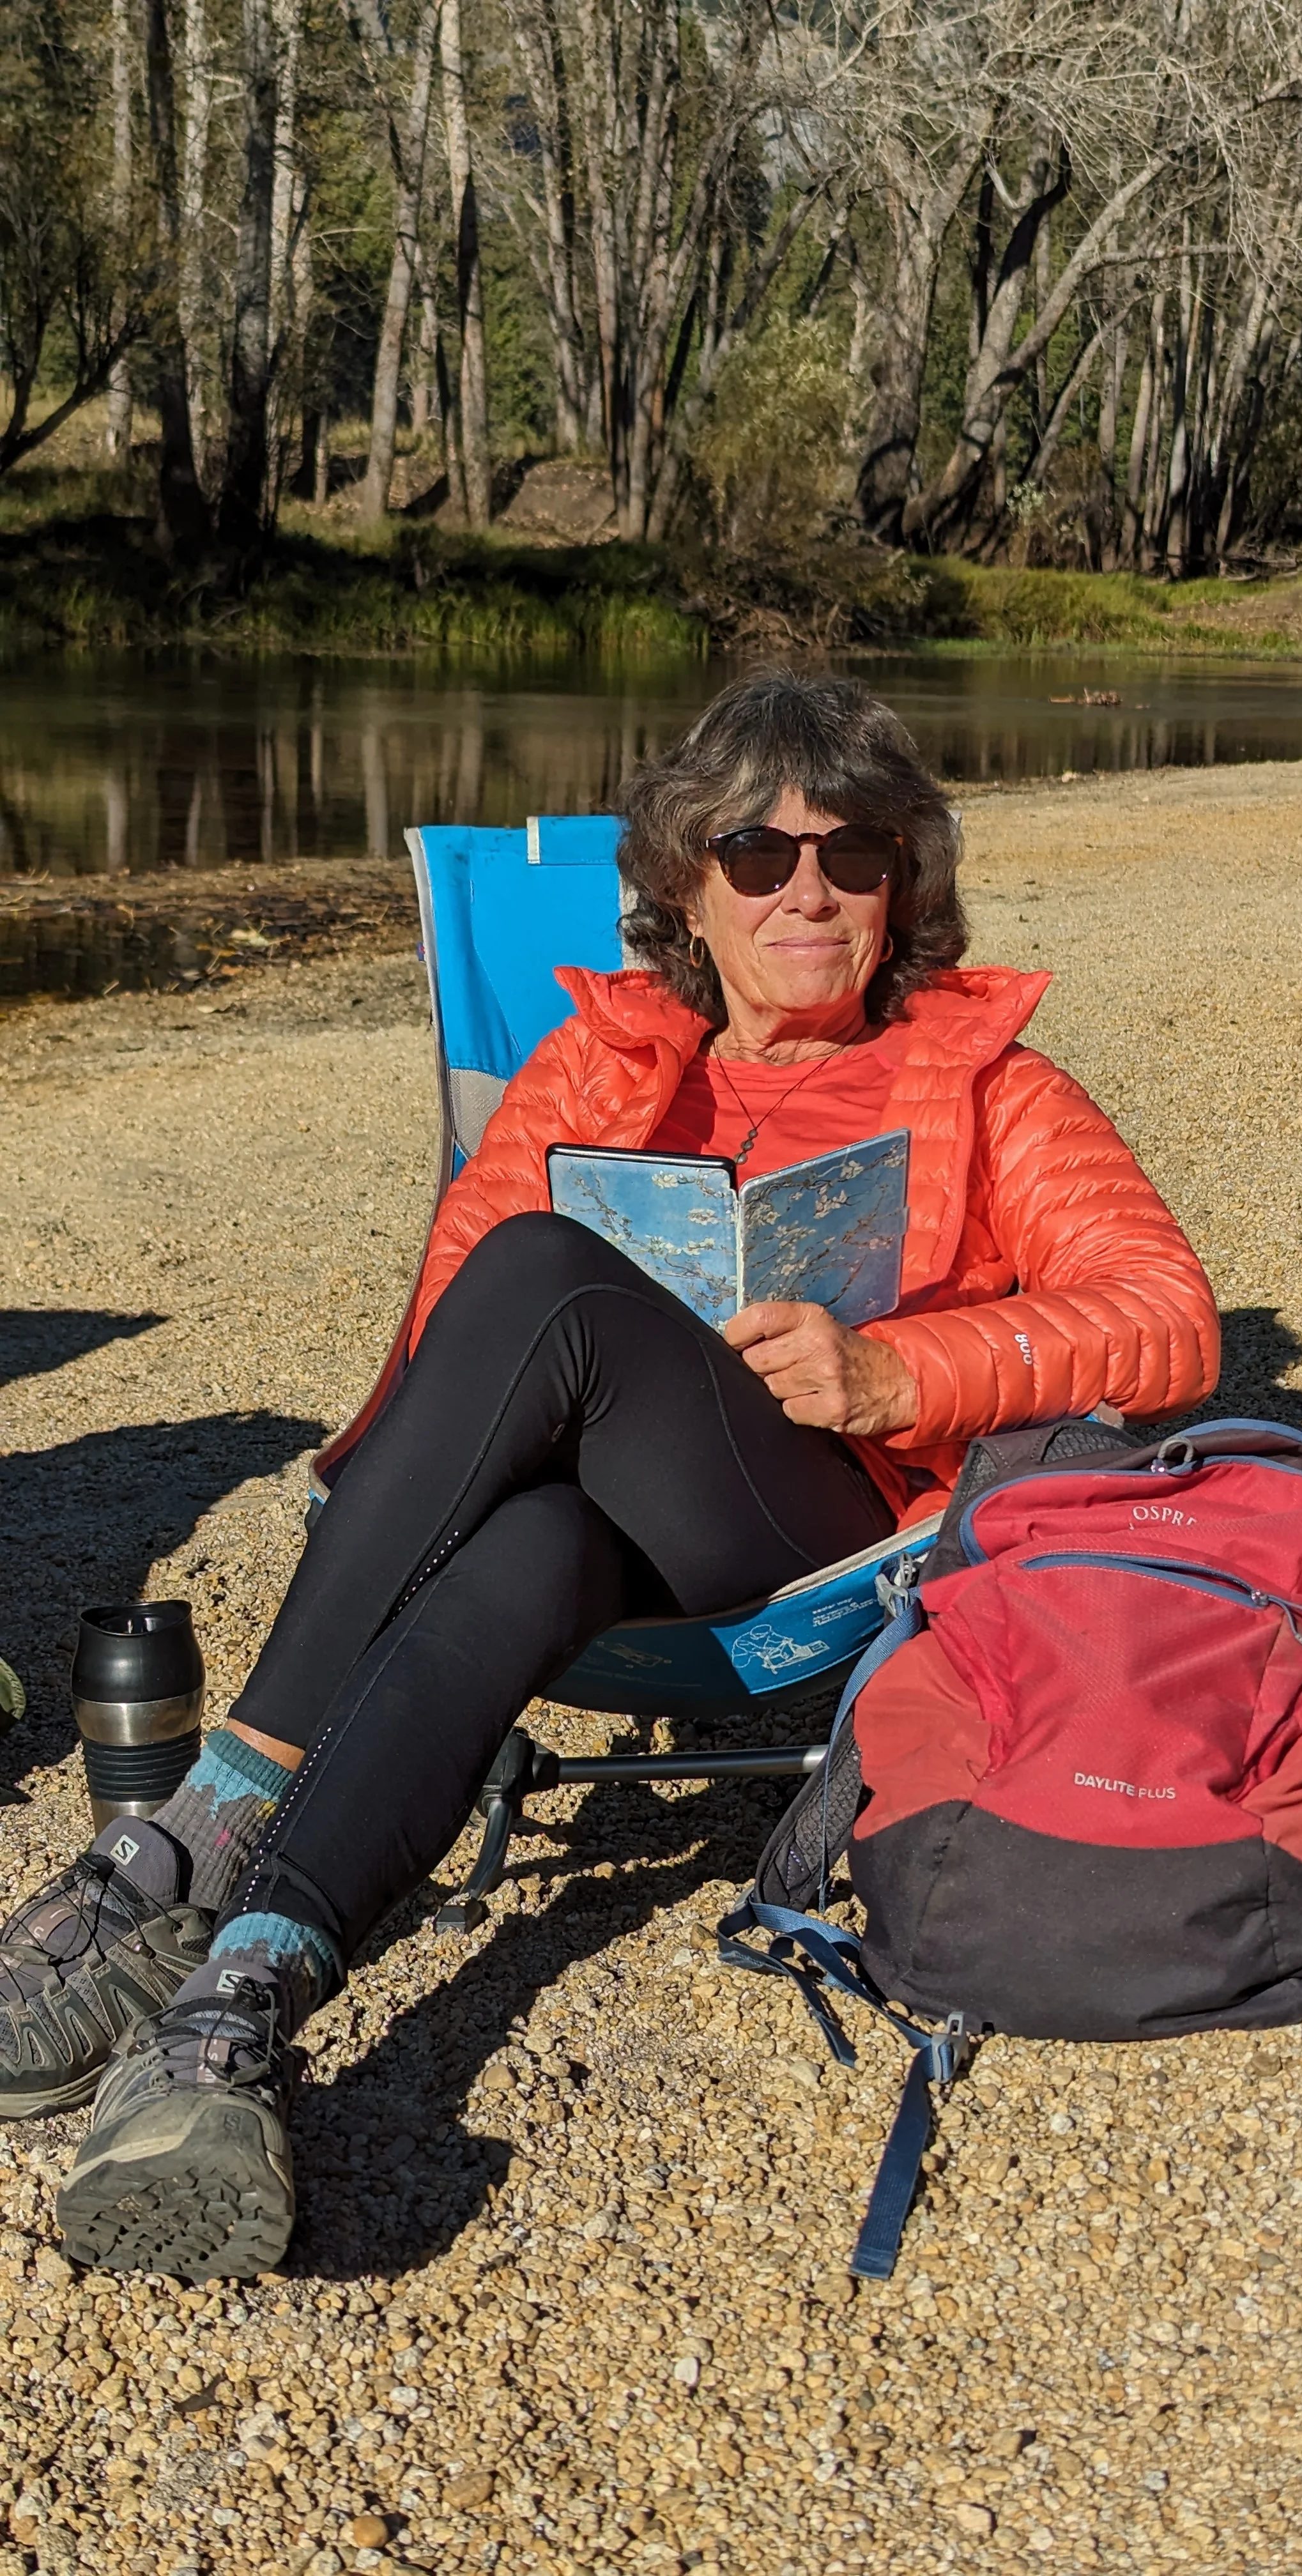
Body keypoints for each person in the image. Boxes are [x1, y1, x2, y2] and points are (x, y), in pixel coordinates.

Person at [0, 670, 1219, 2279]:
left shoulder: (992, 1084)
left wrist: (899, 1368)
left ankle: (193, 1827)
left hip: (808, 1529)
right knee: (529, 1542)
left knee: (542, 1271)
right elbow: (452, 1328)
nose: (807, 890)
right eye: (757, 854)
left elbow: (1169, 1322)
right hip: (590, 1516)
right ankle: (229, 2018)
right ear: (686, 892)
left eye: (852, 857)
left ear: (902, 886)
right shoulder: (596, 1062)